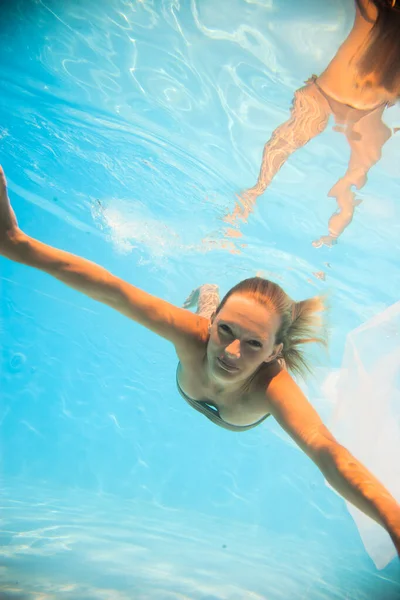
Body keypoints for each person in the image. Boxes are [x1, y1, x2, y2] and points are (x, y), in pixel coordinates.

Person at [0, 166, 399, 557]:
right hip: (206, 319)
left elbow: (326, 450)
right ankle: (210, 294)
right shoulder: (196, 334)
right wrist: (18, 243)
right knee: (204, 311)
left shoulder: (272, 385)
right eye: (225, 330)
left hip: (264, 366)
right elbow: (113, 290)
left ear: (275, 353)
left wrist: (394, 521)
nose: (230, 353)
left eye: (254, 344)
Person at [225, 0, 400, 247]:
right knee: (359, 166)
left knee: (292, 142)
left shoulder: (371, 13)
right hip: (350, 104)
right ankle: (328, 228)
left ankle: (259, 194)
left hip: (334, 97)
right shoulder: (373, 14)